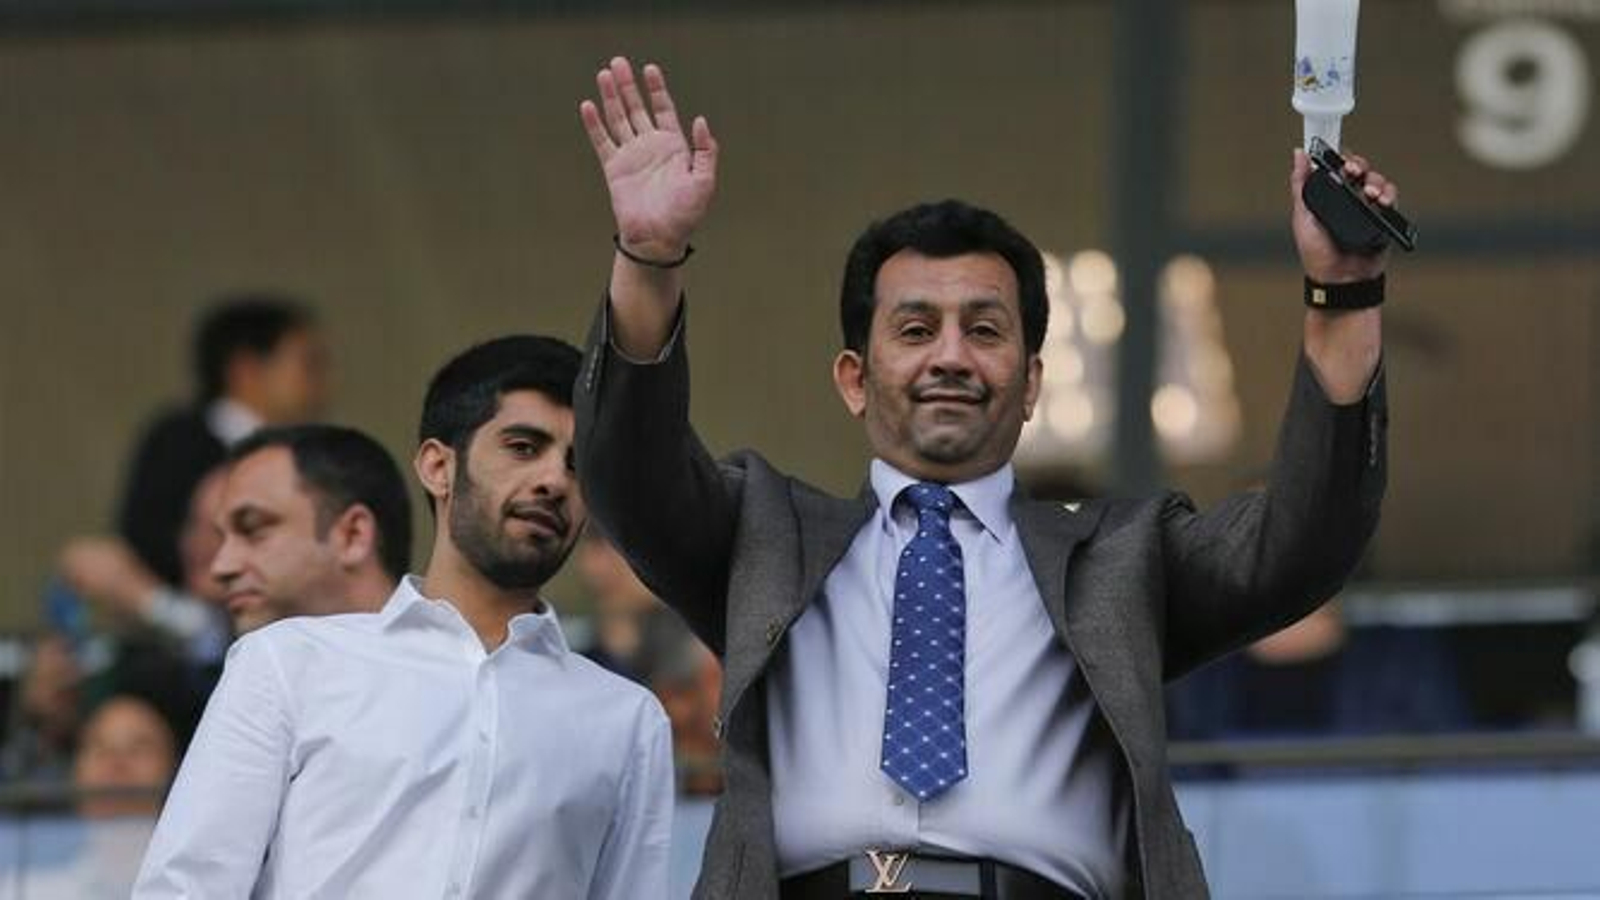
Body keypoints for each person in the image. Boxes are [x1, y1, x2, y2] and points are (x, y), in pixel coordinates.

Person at [573, 58, 1392, 898]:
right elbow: (628, 472)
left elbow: (1302, 538)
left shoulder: (1121, 560)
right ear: (855, 378)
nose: (952, 356)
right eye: (917, 328)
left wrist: (1344, 295)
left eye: (985, 329)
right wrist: (649, 256)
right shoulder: (765, 538)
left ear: (1031, 382)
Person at [135, 336, 672, 899]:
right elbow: (185, 888)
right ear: (438, 467)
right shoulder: (287, 664)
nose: (554, 481)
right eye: (522, 446)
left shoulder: (628, 722)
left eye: (576, 464)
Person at [115, 294, 327, 587]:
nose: (323, 385)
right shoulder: (179, 442)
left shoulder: (316, 452)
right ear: (247, 369)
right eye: (308, 365)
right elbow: (147, 545)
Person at [209, 423, 412, 633]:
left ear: (353, 535)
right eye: (222, 537)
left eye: (252, 528)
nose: (221, 567)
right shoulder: (243, 662)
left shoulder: (442, 662)